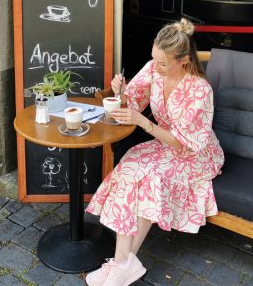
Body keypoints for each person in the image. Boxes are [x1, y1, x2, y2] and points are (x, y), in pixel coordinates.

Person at [85, 18, 225, 286]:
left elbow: (183, 144)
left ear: (183, 59)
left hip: (197, 155)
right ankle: (122, 263)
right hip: (164, 144)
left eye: (163, 63)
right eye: (154, 59)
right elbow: (132, 101)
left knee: (150, 178)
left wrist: (143, 122)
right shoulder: (153, 69)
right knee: (128, 168)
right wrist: (121, 92)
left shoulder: (199, 90)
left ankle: (121, 266)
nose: (156, 66)